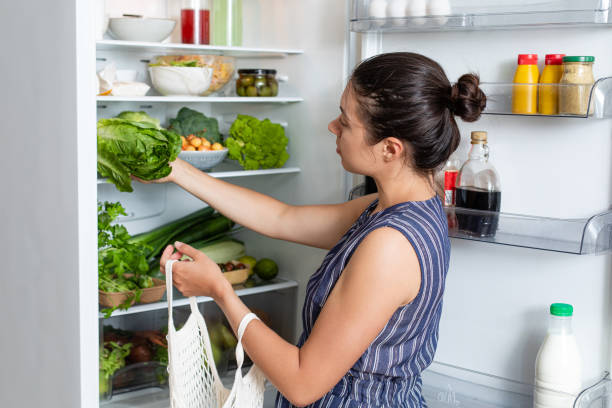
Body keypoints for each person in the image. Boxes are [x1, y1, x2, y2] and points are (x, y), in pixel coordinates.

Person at [149, 52, 486, 407]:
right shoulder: (406, 204)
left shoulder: (390, 246)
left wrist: (220, 291)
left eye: (346, 121)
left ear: (390, 149)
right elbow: (282, 218)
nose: (332, 127)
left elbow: (301, 382)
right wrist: (177, 170)